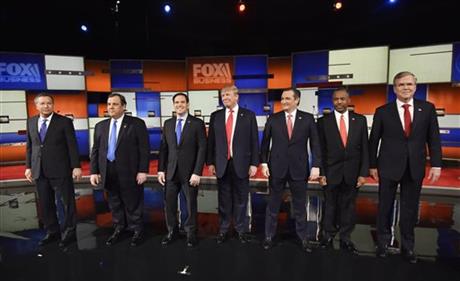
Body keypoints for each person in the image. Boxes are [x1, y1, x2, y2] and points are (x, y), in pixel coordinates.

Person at [369, 71, 442, 263]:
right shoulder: (383, 111)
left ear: (415, 86)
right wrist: (372, 165)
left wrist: (436, 164)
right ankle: (383, 244)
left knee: (410, 210)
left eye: (409, 84)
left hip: (415, 167)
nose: (406, 88)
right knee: (384, 207)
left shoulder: (427, 109)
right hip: (388, 167)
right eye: (401, 85)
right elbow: (373, 141)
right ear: (395, 88)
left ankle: (408, 247)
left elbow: (434, 138)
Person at [260, 88, 321, 252]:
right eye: (282, 98)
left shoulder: (307, 119)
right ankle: (268, 236)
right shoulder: (273, 119)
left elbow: (315, 144)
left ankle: (303, 238)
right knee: (272, 205)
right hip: (276, 168)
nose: (284, 101)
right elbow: (265, 144)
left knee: (300, 206)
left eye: (288, 98)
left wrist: (316, 165)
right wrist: (264, 164)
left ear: (297, 100)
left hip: (299, 169)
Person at [90, 93, 150, 247]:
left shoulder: (136, 124)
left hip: (130, 171)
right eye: (109, 104)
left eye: (115, 104)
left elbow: (144, 149)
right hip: (108, 170)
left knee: (133, 202)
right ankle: (119, 228)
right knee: (114, 202)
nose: (111, 107)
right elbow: (96, 150)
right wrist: (94, 171)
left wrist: (143, 170)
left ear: (123, 106)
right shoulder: (100, 126)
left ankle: (137, 230)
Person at [25, 93, 81, 247]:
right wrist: (28, 167)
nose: (46, 106)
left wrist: (76, 166)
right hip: (39, 170)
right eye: (42, 103)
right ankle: (52, 232)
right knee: (46, 203)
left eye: (49, 103)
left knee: (66, 203)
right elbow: (30, 147)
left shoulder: (64, 122)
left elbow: (72, 146)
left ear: (53, 105)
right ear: (36, 106)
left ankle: (70, 232)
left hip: (60, 169)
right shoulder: (31, 122)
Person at [317, 87, 369, 254]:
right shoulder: (323, 122)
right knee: (330, 206)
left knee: (349, 207)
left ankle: (346, 238)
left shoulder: (360, 120)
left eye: (342, 99)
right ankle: (328, 236)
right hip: (331, 172)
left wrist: (363, 173)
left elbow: (365, 150)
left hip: (352, 172)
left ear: (348, 100)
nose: (339, 102)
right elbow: (320, 151)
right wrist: (322, 173)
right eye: (336, 99)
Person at [207, 85, 259, 244]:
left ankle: (240, 230)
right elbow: (211, 142)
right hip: (222, 164)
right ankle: (223, 230)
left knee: (241, 199)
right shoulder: (215, 116)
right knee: (223, 200)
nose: (225, 98)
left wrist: (254, 163)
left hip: (242, 163)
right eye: (223, 95)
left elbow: (254, 141)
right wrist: (210, 162)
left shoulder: (248, 115)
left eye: (228, 95)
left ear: (237, 97)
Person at [158, 93, 207, 248]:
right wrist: (160, 170)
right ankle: (172, 231)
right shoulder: (168, 124)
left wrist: (197, 172)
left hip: (190, 173)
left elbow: (202, 149)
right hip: (171, 172)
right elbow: (164, 149)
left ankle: (191, 233)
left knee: (190, 204)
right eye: (176, 102)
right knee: (170, 204)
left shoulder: (197, 123)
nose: (179, 105)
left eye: (182, 102)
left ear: (188, 104)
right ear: (173, 105)